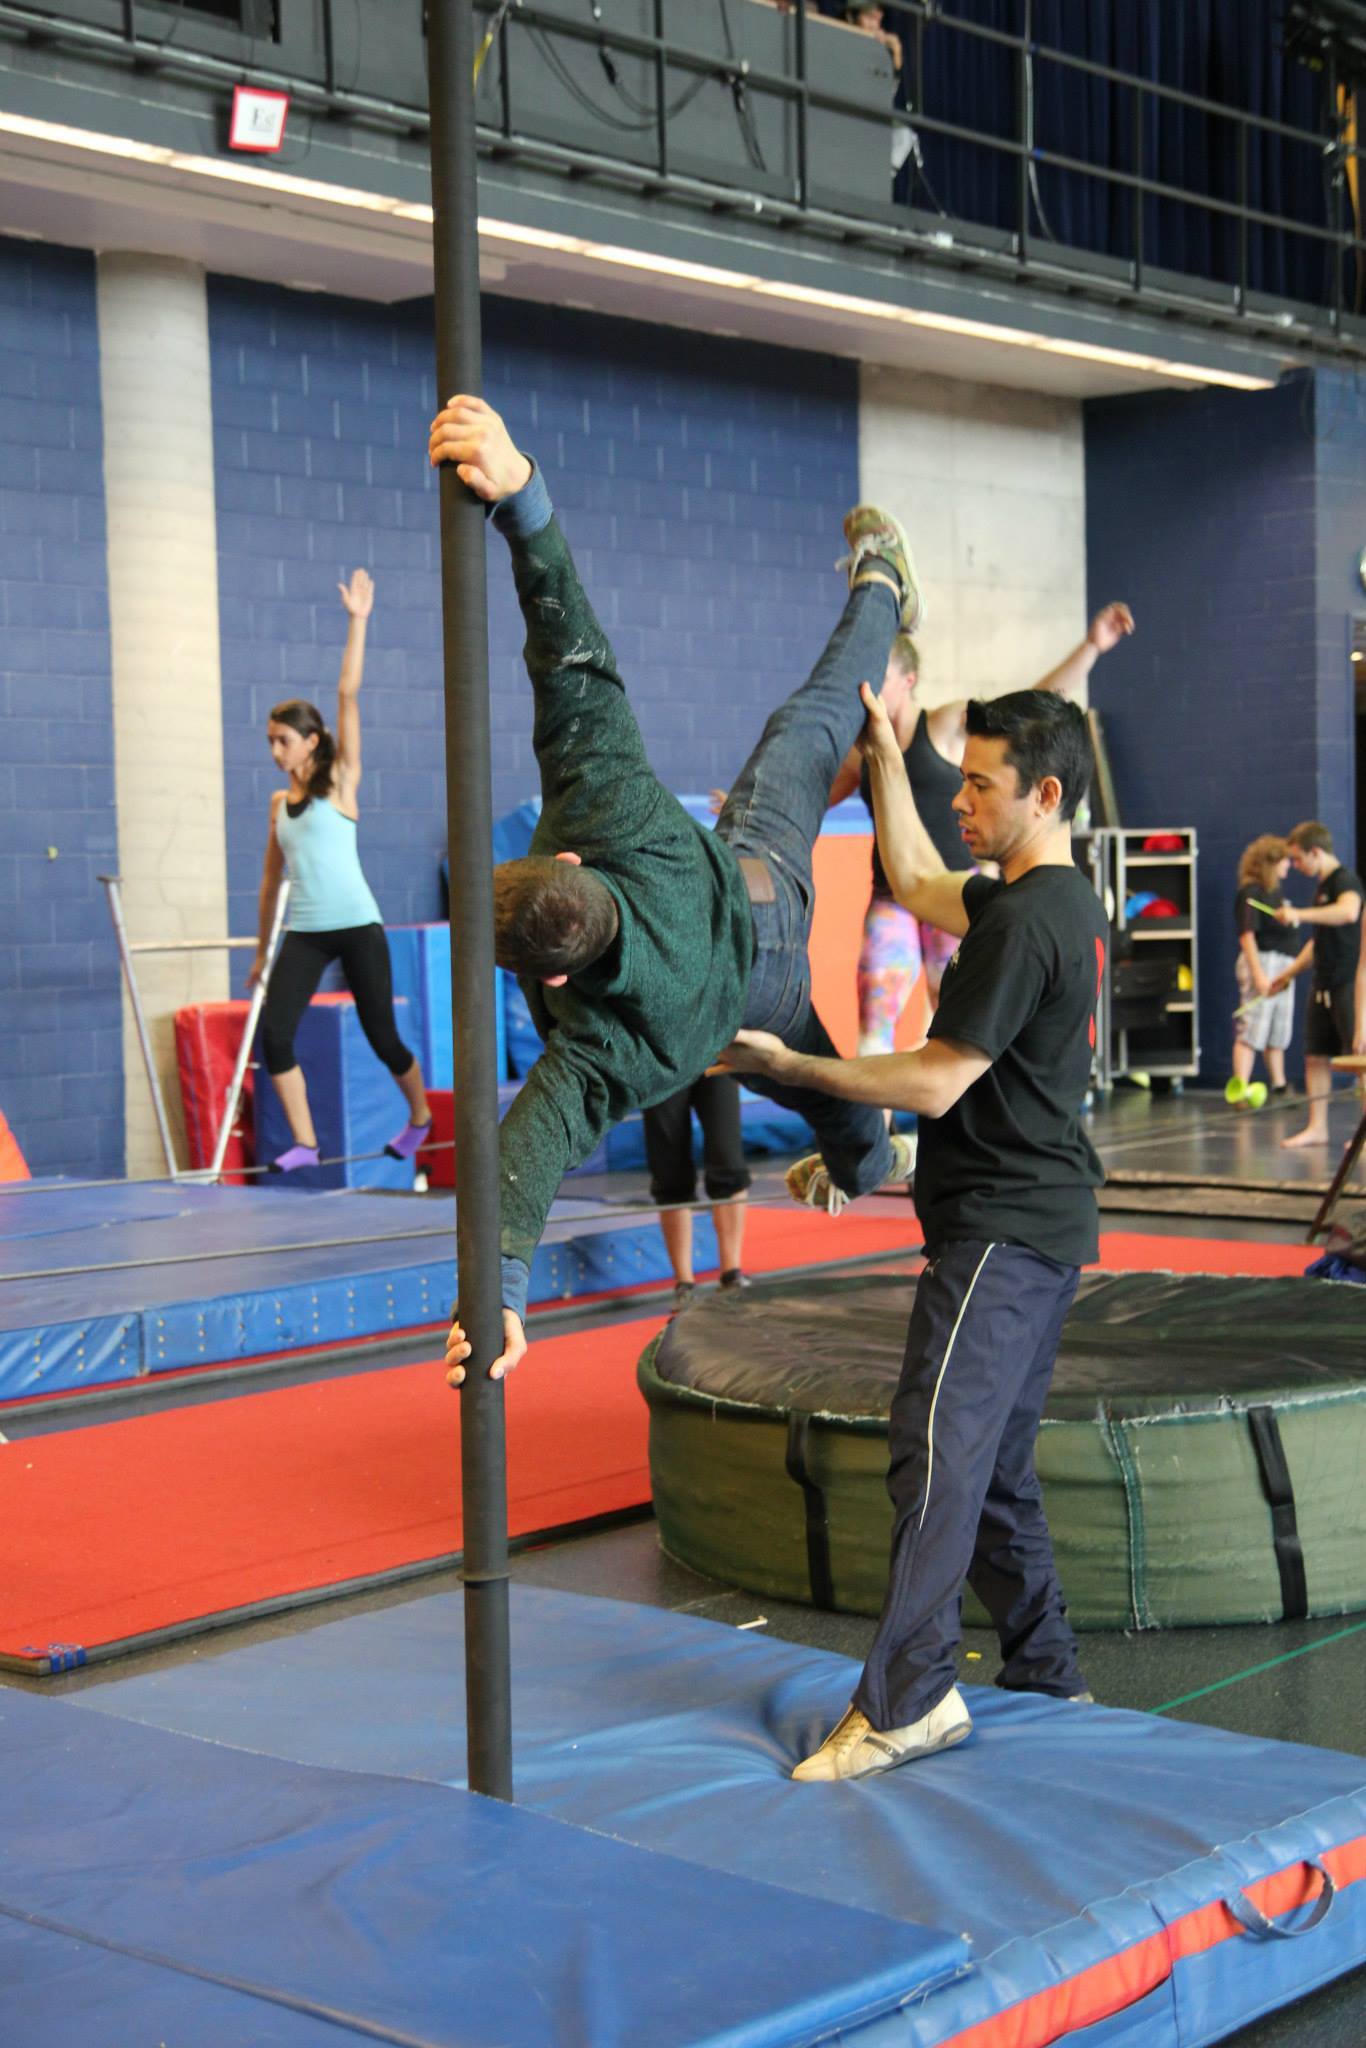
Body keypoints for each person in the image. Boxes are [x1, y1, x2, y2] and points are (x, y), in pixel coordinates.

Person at [434, 395, 920, 1388]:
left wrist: (499, 1300)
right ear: (568, 863)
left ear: (552, 985)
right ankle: (881, 584)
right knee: (815, 717)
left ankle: (866, 1166)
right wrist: (520, 492)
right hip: (757, 875)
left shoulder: (590, 1049)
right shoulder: (597, 803)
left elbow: (521, 1161)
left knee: (836, 1100)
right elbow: (570, 653)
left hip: (753, 1005)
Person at [722, 682, 1106, 1782]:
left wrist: (798, 1072)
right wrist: (887, 753)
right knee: (989, 1473)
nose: (963, 801)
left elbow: (942, 1081)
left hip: (1001, 1233)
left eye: (980, 785)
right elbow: (910, 875)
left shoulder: (1024, 922)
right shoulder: (1055, 902)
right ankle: (1047, 1667)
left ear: (1043, 791)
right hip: (1031, 1219)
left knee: (933, 1452)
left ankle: (909, 1695)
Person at [827, 607, 1132, 1069]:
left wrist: (1091, 647)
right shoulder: (862, 751)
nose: (867, 682)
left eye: (879, 673)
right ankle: (875, 1138)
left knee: (948, 1008)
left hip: (953, 888)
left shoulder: (945, 724)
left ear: (908, 679)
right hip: (893, 893)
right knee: (876, 1017)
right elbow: (814, 796)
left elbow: (1031, 714)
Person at [250, 569, 432, 1172]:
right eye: (270, 742)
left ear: (311, 741)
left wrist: (358, 620)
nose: (275, 752)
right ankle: (304, 1141)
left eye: (282, 741)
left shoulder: (341, 784)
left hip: (357, 924)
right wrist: (259, 954)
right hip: (305, 930)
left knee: (383, 1037)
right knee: (274, 1037)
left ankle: (420, 1118)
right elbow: (271, 883)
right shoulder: (280, 807)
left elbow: (348, 695)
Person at [1272, 821, 1363, 1148]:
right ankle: (1317, 1127)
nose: (1296, 866)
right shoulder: (1322, 888)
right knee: (1315, 1056)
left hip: (1346, 983)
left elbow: (1349, 912)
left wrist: (1299, 914)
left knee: (1360, 1058)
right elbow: (1318, 940)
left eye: (1298, 859)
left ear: (1315, 852)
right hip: (1321, 982)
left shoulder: (1345, 881)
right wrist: (1288, 974)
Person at [643, 1072, 751, 1309]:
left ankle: (731, 1275)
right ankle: (684, 1285)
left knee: (729, 1162)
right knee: (669, 1171)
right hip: (661, 1057)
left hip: (715, 1051)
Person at [1230, 835, 1294, 1097]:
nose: (1288, 865)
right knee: (1253, 1026)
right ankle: (1240, 1089)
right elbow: (1247, 935)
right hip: (1263, 961)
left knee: (1277, 1028)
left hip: (1283, 964)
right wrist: (1258, 974)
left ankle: (1278, 1084)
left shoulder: (1274, 892)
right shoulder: (1251, 893)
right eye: (1284, 860)